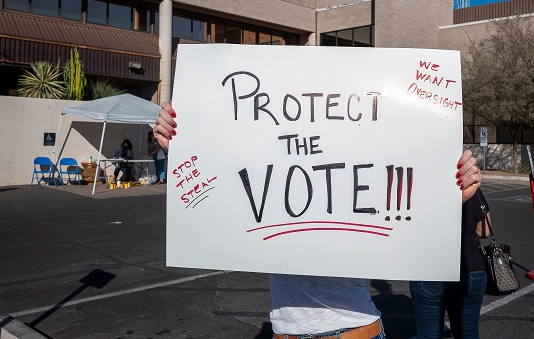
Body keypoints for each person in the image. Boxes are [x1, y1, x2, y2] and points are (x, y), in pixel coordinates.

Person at [153, 102, 482, 339]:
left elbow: (408, 231)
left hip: (355, 329)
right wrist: (183, 145)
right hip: (287, 331)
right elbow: (218, 193)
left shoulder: (360, 179)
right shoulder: (271, 180)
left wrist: (449, 199)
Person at [408, 188, 491, 339]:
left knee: (428, 335)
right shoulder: (471, 187)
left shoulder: (419, 188)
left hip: (429, 269)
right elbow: (484, 231)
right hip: (471, 268)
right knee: (469, 333)